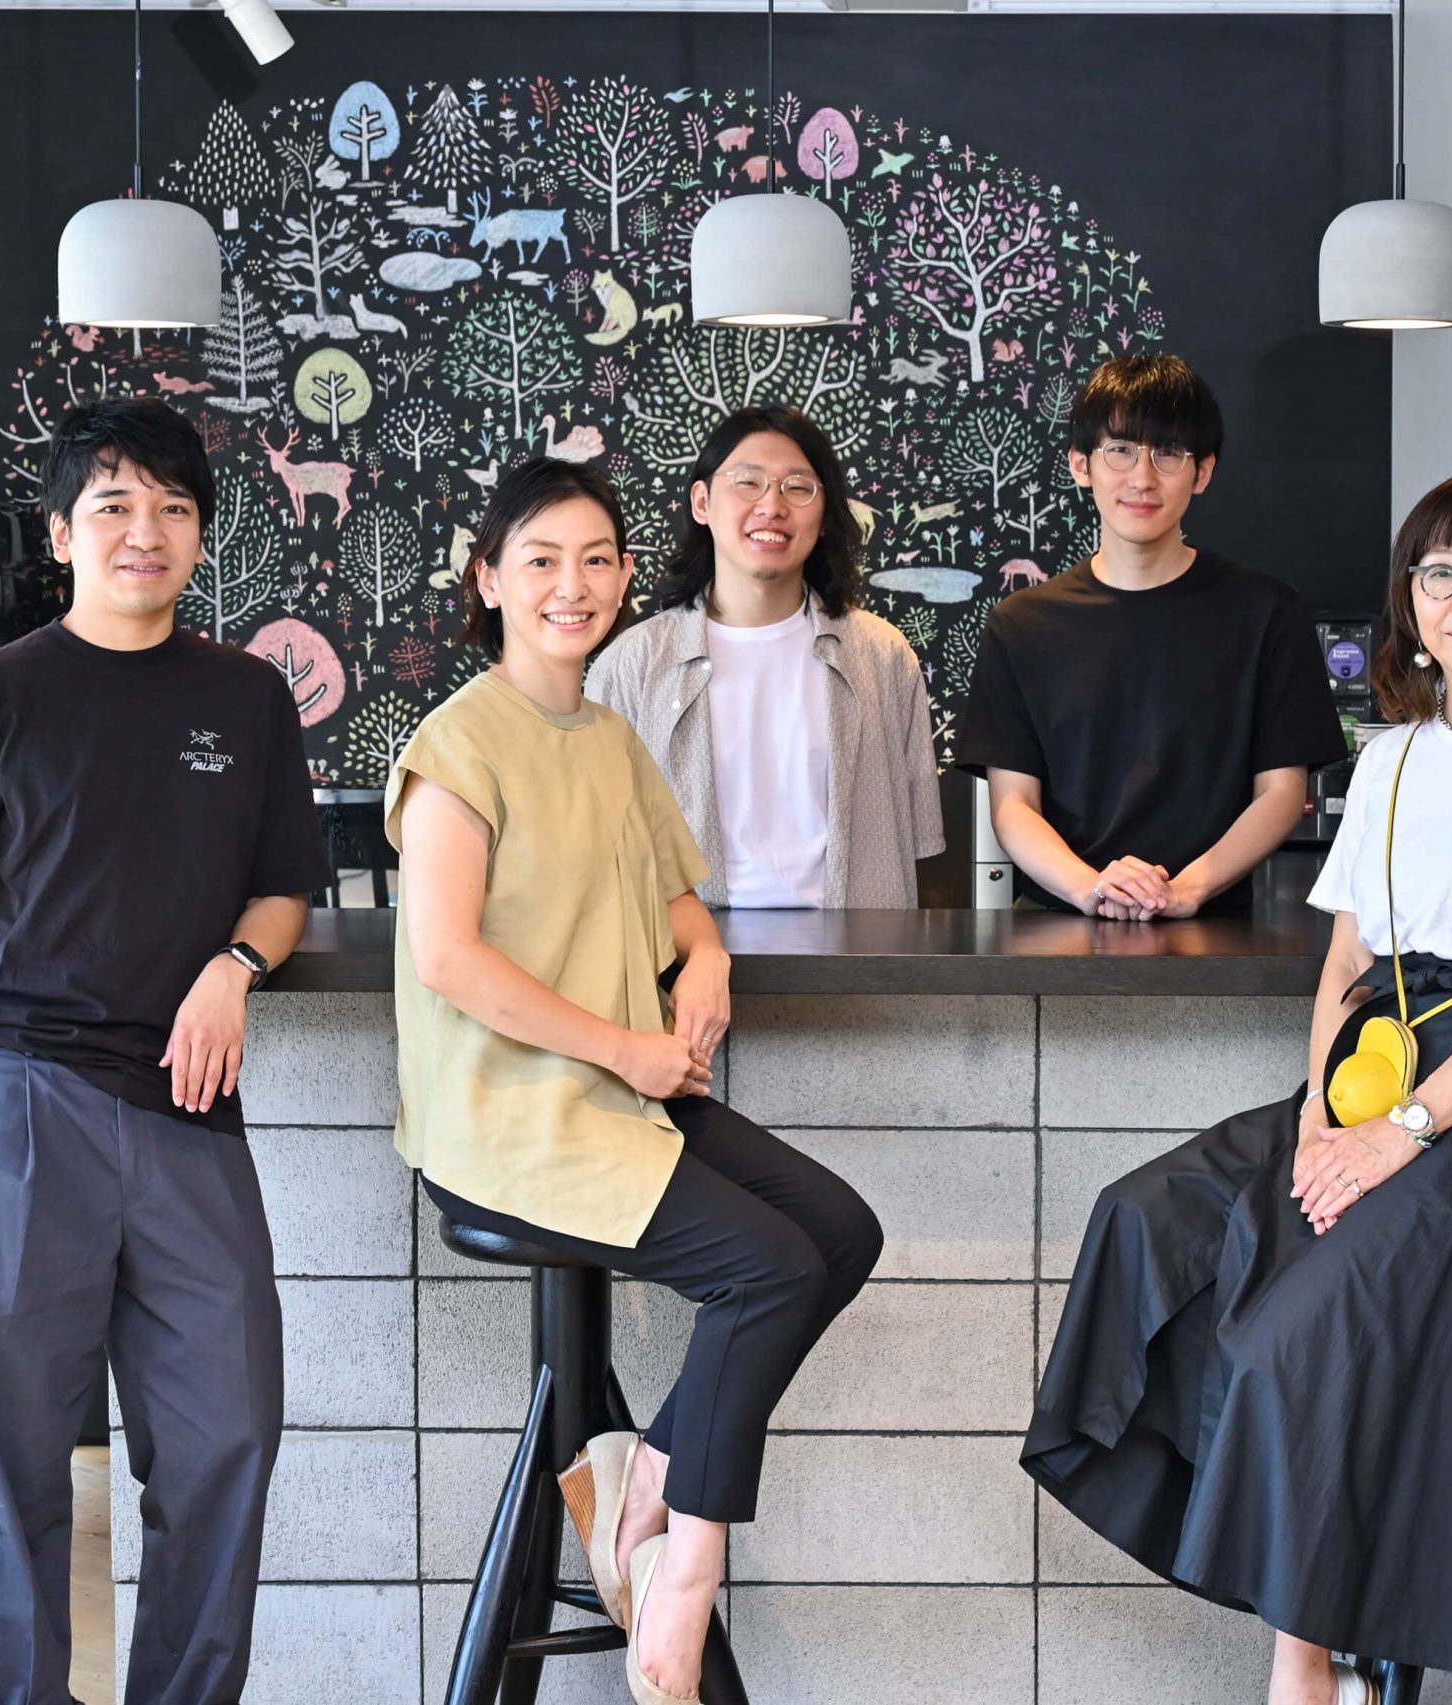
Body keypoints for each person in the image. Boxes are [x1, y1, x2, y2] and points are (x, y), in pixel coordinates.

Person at [1026, 473, 1452, 1705]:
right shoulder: (1390, 757)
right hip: (1366, 1076)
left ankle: (1303, 1662)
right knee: (1147, 1218)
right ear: (1409, 604)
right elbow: (1346, 959)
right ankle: (1319, 1639)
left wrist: (1401, 1133)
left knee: (1288, 1339)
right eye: (1439, 574)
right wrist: (1316, 1111)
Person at [388, 459, 882, 1705]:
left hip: (620, 1099)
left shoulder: (609, 736)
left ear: (622, 577)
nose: (574, 584)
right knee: (766, 1268)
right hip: (511, 1118)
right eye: (541, 560)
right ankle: (684, 1566)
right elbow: (447, 957)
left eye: (597, 559)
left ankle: (648, 1478)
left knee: (838, 1231)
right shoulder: (456, 745)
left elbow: (676, 900)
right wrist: (627, 1049)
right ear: (487, 579)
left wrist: (705, 957)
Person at [0, 397, 330, 1704]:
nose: (148, 531)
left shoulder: (246, 697)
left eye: (175, 509)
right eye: (116, 506)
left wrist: (234, 968)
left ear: (202, 537)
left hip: (185, 1109)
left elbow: (283, 891)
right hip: (10, 1097)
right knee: (16, 1459)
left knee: (225, 1433)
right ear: (65, 534)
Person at [956, 353, 1347, 917]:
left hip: (1214, 925)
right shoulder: (1021, 624)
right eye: (1120, 450)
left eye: (1168, 453)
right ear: (1081, 465)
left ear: (1202, 472)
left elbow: (1281, 793)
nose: (1142, 478)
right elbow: (1013, 803)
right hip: (1057, 922)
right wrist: (1090, 887)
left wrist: (1187, 889)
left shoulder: (1266, 614)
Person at [586, 404, 943, 908]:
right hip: (683, 951)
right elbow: (598, 849)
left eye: (798, 487)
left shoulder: (883, 657)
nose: (772, 506)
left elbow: (917, 842)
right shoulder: (632, 665)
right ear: (702, 502)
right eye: (748, 483)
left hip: (856, 947)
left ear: (825, 515)